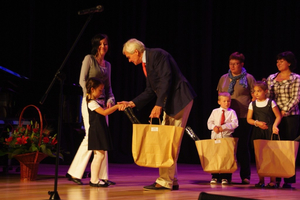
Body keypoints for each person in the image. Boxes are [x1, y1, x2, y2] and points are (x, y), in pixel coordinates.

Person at [119, 38, 196, 190]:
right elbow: (150, 90)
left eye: (128, 57)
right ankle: (171, 180)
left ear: (136, 52)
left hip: (179, 100)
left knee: (169, 142)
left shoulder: (157, 55)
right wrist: (132, 103)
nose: (129, 60)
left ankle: (165, 180)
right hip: (172, 102)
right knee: (168, 141)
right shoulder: (146, 63)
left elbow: (166, 80)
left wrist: (159, 104)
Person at [66, 34, 116, 185]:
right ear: (95, 45)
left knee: (103, 138)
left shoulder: (108, 65)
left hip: (103, 104)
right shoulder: (89, 59)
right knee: (91, 137)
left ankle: (102, 176)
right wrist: (89, 97)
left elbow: (108, 87)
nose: (103, 47)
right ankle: (74, 172)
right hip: (90, 103)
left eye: (105, 44)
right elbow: (82, 80)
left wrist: (110, 99)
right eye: (100, 44)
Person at [217, 52, 256, 184]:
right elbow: (220, 95)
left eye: (236, 64)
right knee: (227, 148)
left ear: (242, 64)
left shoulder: (249, 78)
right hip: (227, 117)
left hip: (243, 116)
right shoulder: (223, 78)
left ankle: (245, 176)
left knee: (242, 147)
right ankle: (226, 176)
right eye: (231, 64)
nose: (233, 66)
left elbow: (254, 95)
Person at [266, 51, 300, 188]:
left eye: (281, 61)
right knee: (275, 147)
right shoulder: (272, 78)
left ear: (289, 63)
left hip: (290, 116)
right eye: (277, 61)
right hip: (274, 117)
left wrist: (284, 110)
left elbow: (296, 98)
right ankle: (275, 178)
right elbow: (268, 96)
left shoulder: (296, 78)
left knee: (288, 148)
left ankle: (288, 180)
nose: (278, 63)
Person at [84, 77, 124, 187]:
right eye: (100, 90)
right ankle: (94, 180)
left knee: (98, 155)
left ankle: (94, 179)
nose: (101, 92)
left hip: (99, 130)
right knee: (99, 155)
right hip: (97, 131)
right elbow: (104, 112)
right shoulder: (91, 102)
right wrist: (116, 106)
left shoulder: (94, 101)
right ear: (92, 89)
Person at [247, 80, 282, 188]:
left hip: (269, 132)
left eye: (259, 91)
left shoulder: (270, 102)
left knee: (271, 156)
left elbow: (278, 116)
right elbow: (249, 119)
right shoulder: (252, 104)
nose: (256, 93)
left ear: (265, 91)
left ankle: (272, 181)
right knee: (259, 157)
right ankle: (261, 180)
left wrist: (274, 126)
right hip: (258, 132)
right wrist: (257, 123)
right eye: (255, 91)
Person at [207, 92, 239, 185]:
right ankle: (215, 176)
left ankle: (226, 176)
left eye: (228, 101)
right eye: (224, 101)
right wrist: (214, 127)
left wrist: (223, 127)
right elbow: (209, 123)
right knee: (215, 156)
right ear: (219, 102)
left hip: (226, 137)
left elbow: (235, 123)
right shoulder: (215, 111)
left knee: (226, 157)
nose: (226, 103)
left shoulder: (231, 112)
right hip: (215, 137)